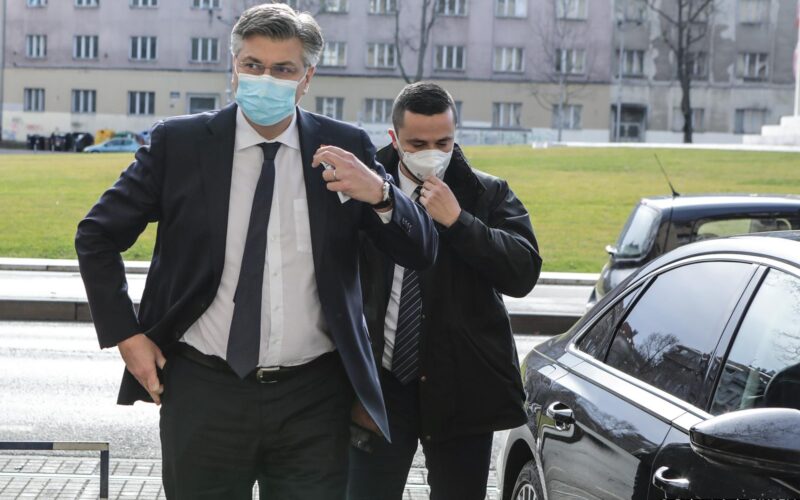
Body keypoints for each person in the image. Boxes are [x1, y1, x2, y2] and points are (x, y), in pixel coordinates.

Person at [74, 5, 437, 499]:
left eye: (282, 69)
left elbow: (420, 250)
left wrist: (380, 194)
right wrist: (126, 336)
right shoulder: (180, 144)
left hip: (313, 399)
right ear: (234, 67)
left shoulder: (344, 147)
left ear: (306, 78)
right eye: (252, 65)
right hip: (204, 391)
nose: (265, 79)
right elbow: (96, 236)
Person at [348, 82, 542, 500]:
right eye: (417, 144)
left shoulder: (486, 193)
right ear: (394, 138)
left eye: (443, 142)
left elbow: (523, 272)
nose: (431, 153)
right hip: (381, 382)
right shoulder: (361, 189)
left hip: (461, 385)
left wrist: (460, 222)